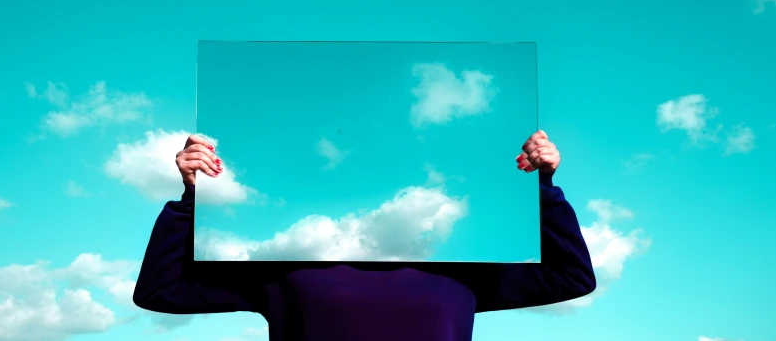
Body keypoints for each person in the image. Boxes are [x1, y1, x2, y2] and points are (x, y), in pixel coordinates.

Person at [133, 130, 596, 341]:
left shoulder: (463, 267)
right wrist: (193, 198)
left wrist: (541, 186)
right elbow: (160, 290)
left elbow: (572, 277)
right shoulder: (282, 271)